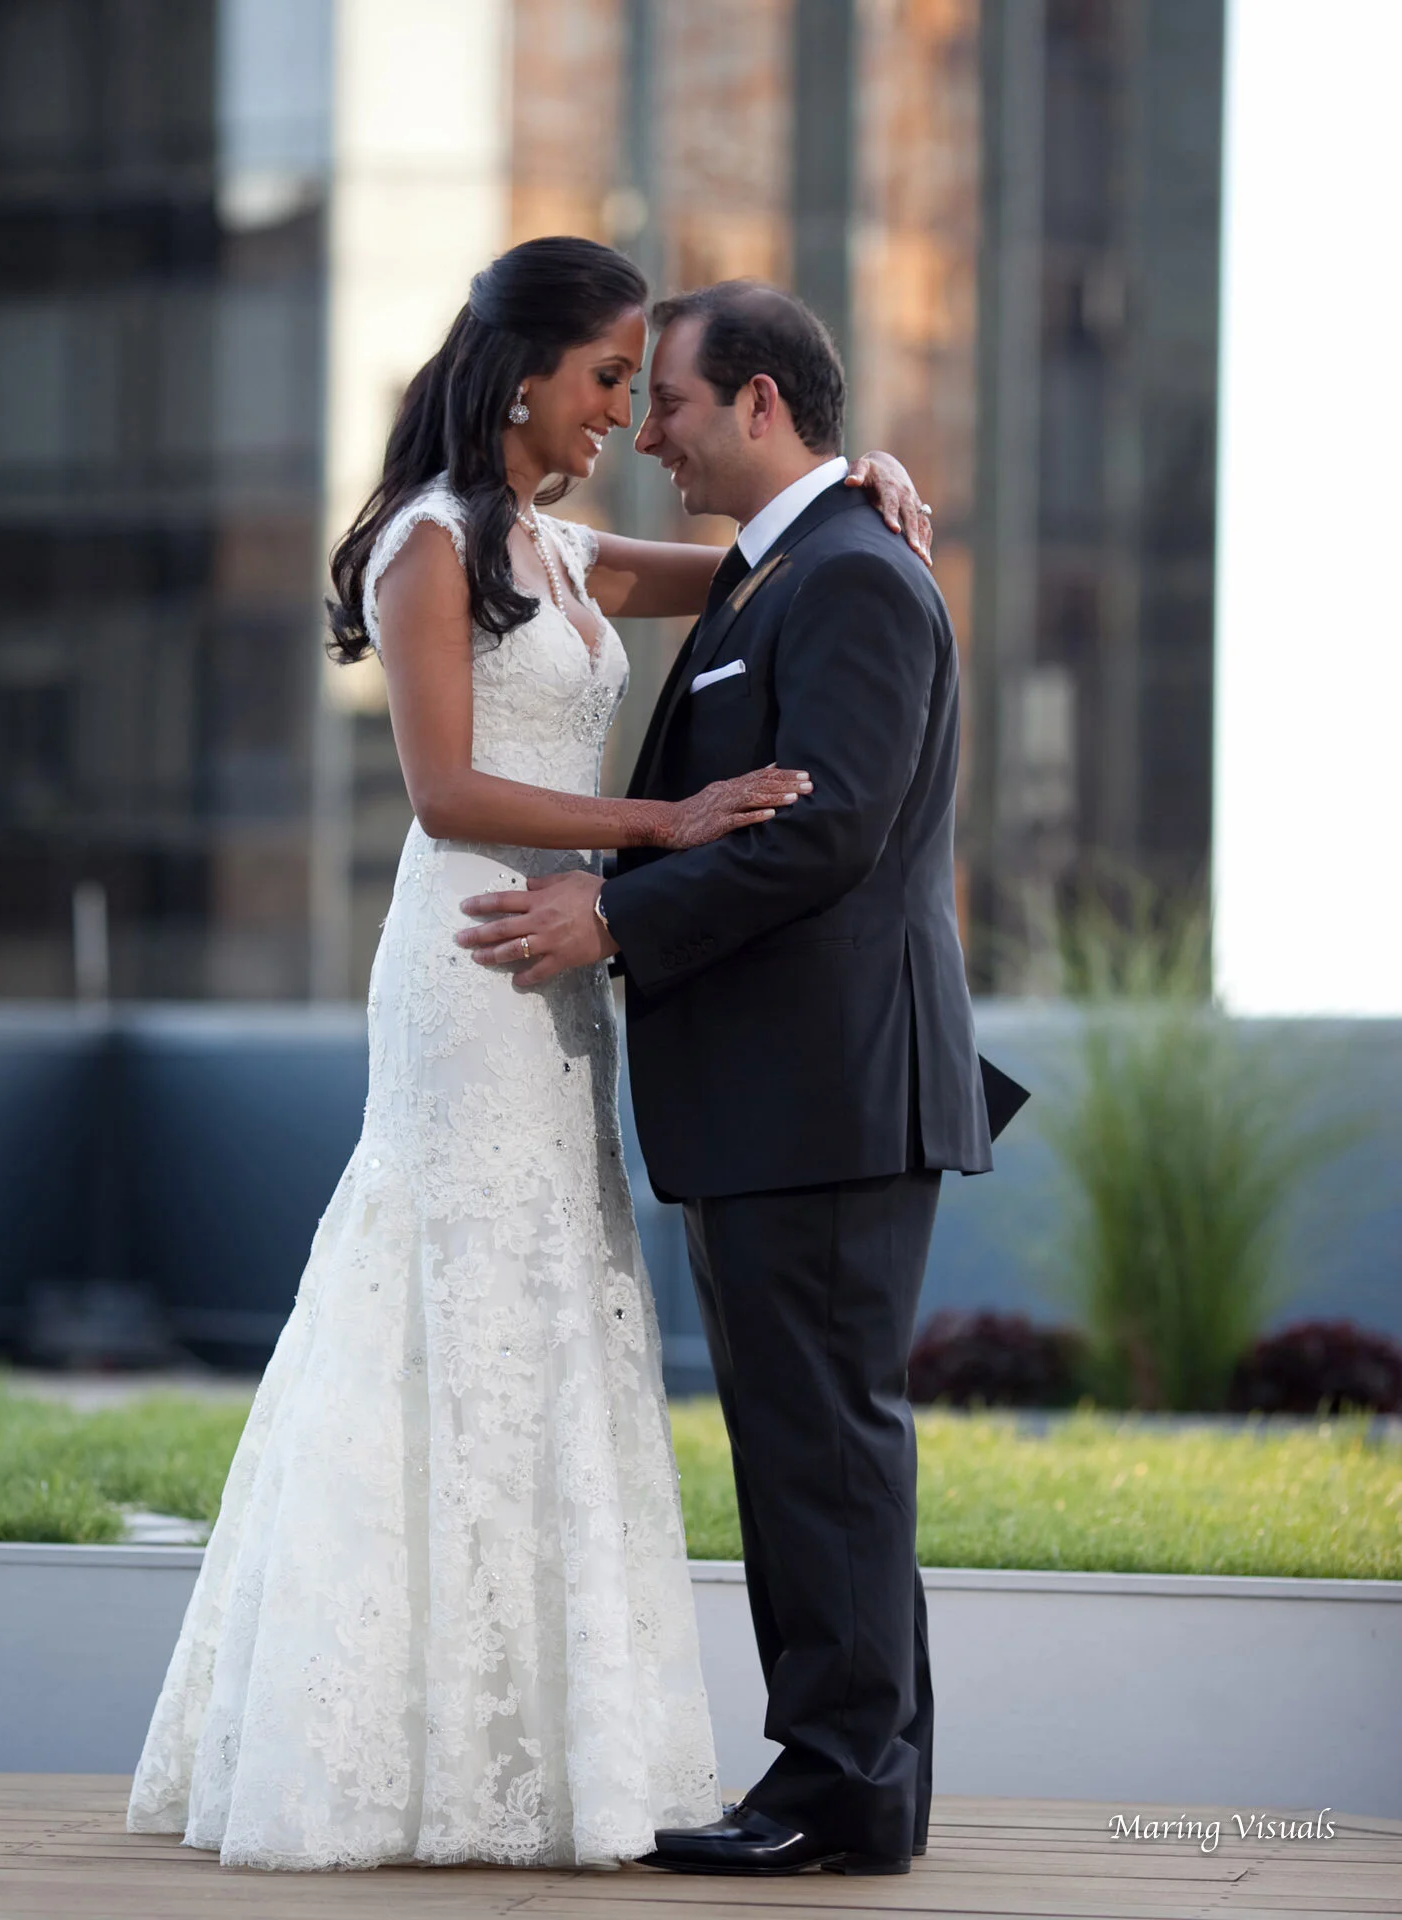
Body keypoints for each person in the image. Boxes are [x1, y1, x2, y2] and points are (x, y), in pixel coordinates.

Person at [124, 237, 930, 1871]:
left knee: (552, 1312)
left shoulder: (561, 551)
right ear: (521, 375)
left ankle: (538, 1750)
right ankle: (386, 1742)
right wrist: (664, 823)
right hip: (481, 955)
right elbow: (443, 794)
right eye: (609, 379)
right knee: (448, 1301)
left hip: (572, 961)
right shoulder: (428, 543)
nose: (625, 415)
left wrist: (864, 476)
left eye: (649, 387)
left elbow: (764, 555)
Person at [456, 280, 1001, 1877]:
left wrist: (612, 915)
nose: (649, 435)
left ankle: (837, 1787)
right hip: (782, 1097)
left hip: (825, 1095)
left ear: (760, 402)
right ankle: (856, 1787)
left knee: (824, 1449)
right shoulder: (793, 566)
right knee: (810, 1446)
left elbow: (826, 829)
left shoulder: (853, 579)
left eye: (674, 402)